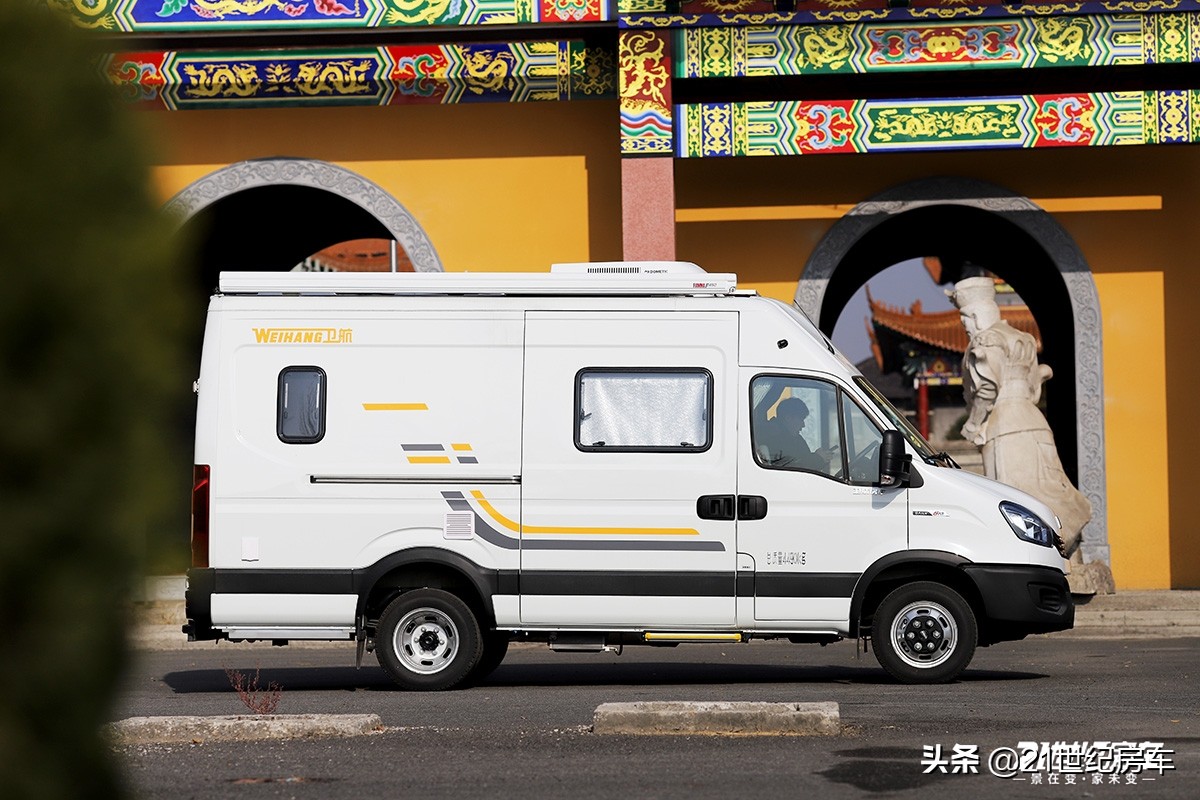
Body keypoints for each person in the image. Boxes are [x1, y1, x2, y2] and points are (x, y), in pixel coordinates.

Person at [949, 276, 1091, 558]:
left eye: (965, 319)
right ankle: (1070, 556)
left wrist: (974, 423)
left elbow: (987, 387)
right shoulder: (1023, 339)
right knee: (1048, 489)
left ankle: (1030, 560)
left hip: (1005, 428)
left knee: (1014, 501)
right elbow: (1034, 388)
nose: (964, 326)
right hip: (1034, 421)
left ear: (976, 316)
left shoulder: (985, 340)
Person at [757, 397, 838, 474]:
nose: (803, 425)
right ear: (788, 418)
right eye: (801, 419)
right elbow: (791, 468)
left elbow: (803, 460)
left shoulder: (793, 437)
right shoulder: (774, 438)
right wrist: (818, 458)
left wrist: (822, 459)